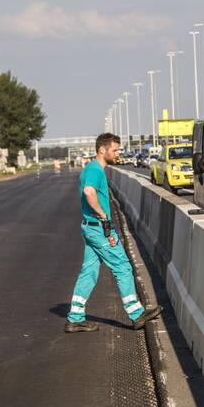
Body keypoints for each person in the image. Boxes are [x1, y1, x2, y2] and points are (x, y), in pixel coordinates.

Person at [65, 133, 163, 333]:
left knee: (89, 271)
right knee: (123, 267)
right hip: (99, 228)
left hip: (90, 227)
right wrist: (102, 214)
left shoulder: (91, 168)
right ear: (102, 150)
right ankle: (136, 314)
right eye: (115, 150)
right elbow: (89, 192)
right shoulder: (94, 170)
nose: (118, 153)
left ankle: (75, 318)